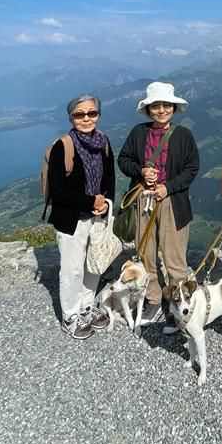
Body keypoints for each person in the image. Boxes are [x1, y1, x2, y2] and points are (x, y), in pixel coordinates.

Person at [117, 81, 199, 331]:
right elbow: (124, 160)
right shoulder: (138, 133)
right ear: (148, 109)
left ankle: (184, 306)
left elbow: (191, 168)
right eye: (156, 106)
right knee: (146, 254)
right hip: (144, 198)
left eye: (166, 105)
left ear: (173, 108)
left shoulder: (183, 135)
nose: (162, 110)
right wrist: (140, 171)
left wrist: (169, 187)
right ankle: (154, 300)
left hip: (171, 201)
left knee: (174, 258)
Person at [47, 93, 115, 339]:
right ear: (71, 117)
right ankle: (70, 316)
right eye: (80, 114)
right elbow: (58, 190)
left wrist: (106, 203)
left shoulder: (104, 142)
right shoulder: (63, 146)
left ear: (98, 114)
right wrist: (90, 201)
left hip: (97, 216)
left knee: (93, 264)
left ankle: (87, 307)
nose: (86, 118)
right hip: (71, 219)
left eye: (92, 113)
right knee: (73, 269)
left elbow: (109, 179)